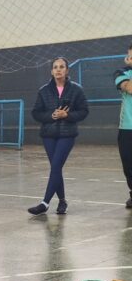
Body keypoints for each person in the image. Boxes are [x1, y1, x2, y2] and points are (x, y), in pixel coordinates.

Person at [29, 56, 89, 215]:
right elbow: (36, 113)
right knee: (56, 168)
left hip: (67, 134)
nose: (58, 70)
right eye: (55, 67)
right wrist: (52, 116)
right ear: (51, 71)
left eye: (62, 67)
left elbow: (84, 111)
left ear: (67, 70)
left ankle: (45, 203)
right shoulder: (44, 90)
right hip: (48, 135)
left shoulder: (77, 89)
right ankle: (62, 201)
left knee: (55, 167)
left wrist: (67, 116)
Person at [114, 43, 132, 208]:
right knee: (128, 165)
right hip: (127, 128)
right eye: (130, 56)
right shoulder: (122, 72)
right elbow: (130, 88)